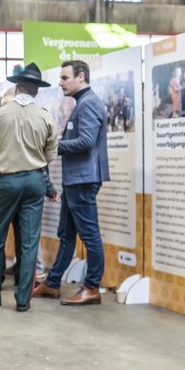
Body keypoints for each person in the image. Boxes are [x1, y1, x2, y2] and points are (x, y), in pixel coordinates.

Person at [0, 63, 57, 310]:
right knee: (29, 242)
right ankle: (22, 300)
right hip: (35, 181)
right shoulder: (46, 116)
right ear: (37, 91)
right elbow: (50, 154)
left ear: (16, 87)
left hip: (6, 180)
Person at [33, 60, 109, 306]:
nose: (60, 82)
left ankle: (92, 287)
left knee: (90, 235)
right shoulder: (83, 103)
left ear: (81, 77)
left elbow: (86, 141)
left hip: (84, 180)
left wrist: (53, 145)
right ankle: (53, 283)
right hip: (76, 179)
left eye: (65, 77)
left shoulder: (89, 104)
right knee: (66, 234)